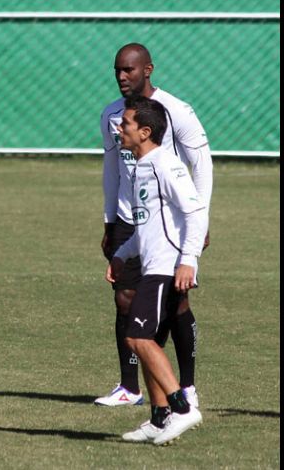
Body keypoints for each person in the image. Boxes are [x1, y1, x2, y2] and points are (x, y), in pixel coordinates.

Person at [96, 43, 212, 407]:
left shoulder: (176, 111)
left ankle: (187, 387)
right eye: (117, 70)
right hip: (131, 221)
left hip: (170, 221)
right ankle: (130, 388)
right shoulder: (112, 116)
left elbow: (202, 165)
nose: (121, 77)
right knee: (124, 298)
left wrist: (201, 218)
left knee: (176, 302)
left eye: (129, 70)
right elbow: (112, 170)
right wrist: (110, 221)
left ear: (148, 70)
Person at [106, 94, 204, 445]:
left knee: (138, 337)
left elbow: (193, 212)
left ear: (145, 132)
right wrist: (121, 254)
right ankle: (159, 418)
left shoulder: (166, 163)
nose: (120, 128)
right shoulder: (139, 167)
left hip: (167, 268)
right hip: (150, 266)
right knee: (149, 342)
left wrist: (188, 260)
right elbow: (146, 224)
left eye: (127, 124)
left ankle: (182, 408)